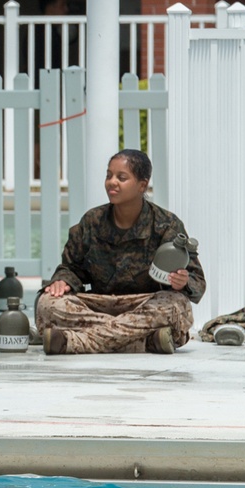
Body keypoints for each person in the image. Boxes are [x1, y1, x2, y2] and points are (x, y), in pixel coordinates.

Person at [37, 148, 205, 355]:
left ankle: (74, 342)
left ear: (142, 185)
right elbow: (71, 267)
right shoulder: (92, 221)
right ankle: (143, 342)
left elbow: (197, 282)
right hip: (99, 304)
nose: (112, 182)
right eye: (109, 176)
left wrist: (184, 282)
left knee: (176, 307)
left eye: (121, 177)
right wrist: (62, 280)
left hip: (146, 304)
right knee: (47, 303)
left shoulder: (166, 224)